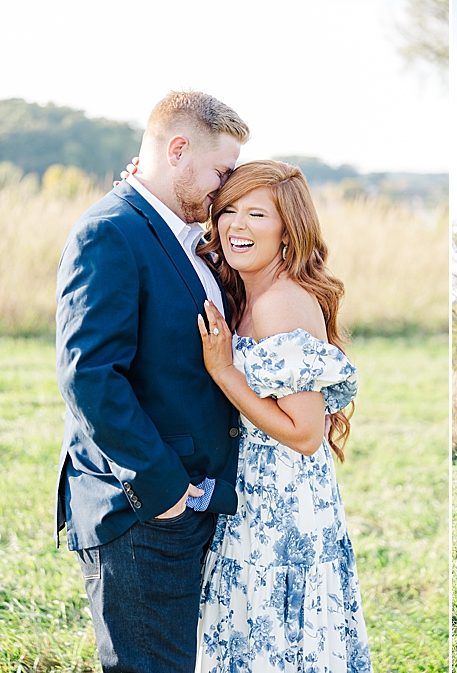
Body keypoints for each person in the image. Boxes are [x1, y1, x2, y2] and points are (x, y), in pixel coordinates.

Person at [55, 90, 250, 672]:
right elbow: (89, 375)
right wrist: (161, 488)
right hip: (141, 507)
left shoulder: (181, 235)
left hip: (186, 502)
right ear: (178, 149)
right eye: (221, 171)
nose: (226, 185)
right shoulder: (110, 232)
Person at [191, 160, 371, 672]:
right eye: (228, 211)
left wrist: (226, 373)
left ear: (287, 231)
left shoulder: (282, 304)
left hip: (282, 506)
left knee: (276, 641)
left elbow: (307, 433)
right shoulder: (248, 295)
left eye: (257, 214)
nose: (236, 226)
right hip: (253, 497)